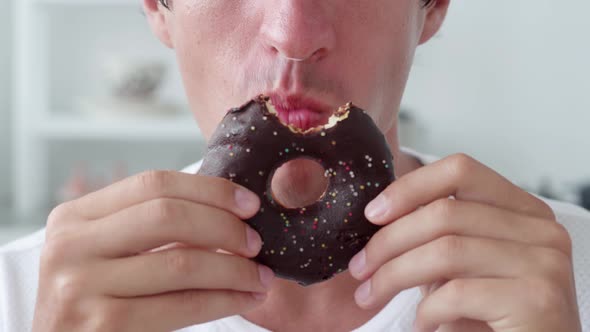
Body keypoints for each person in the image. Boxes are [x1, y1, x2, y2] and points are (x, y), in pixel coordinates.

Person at [1, 0, 588, 331]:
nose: (293, 34)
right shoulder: (22, 296)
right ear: (159, 6)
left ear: (431, 6)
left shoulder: (567, 278)